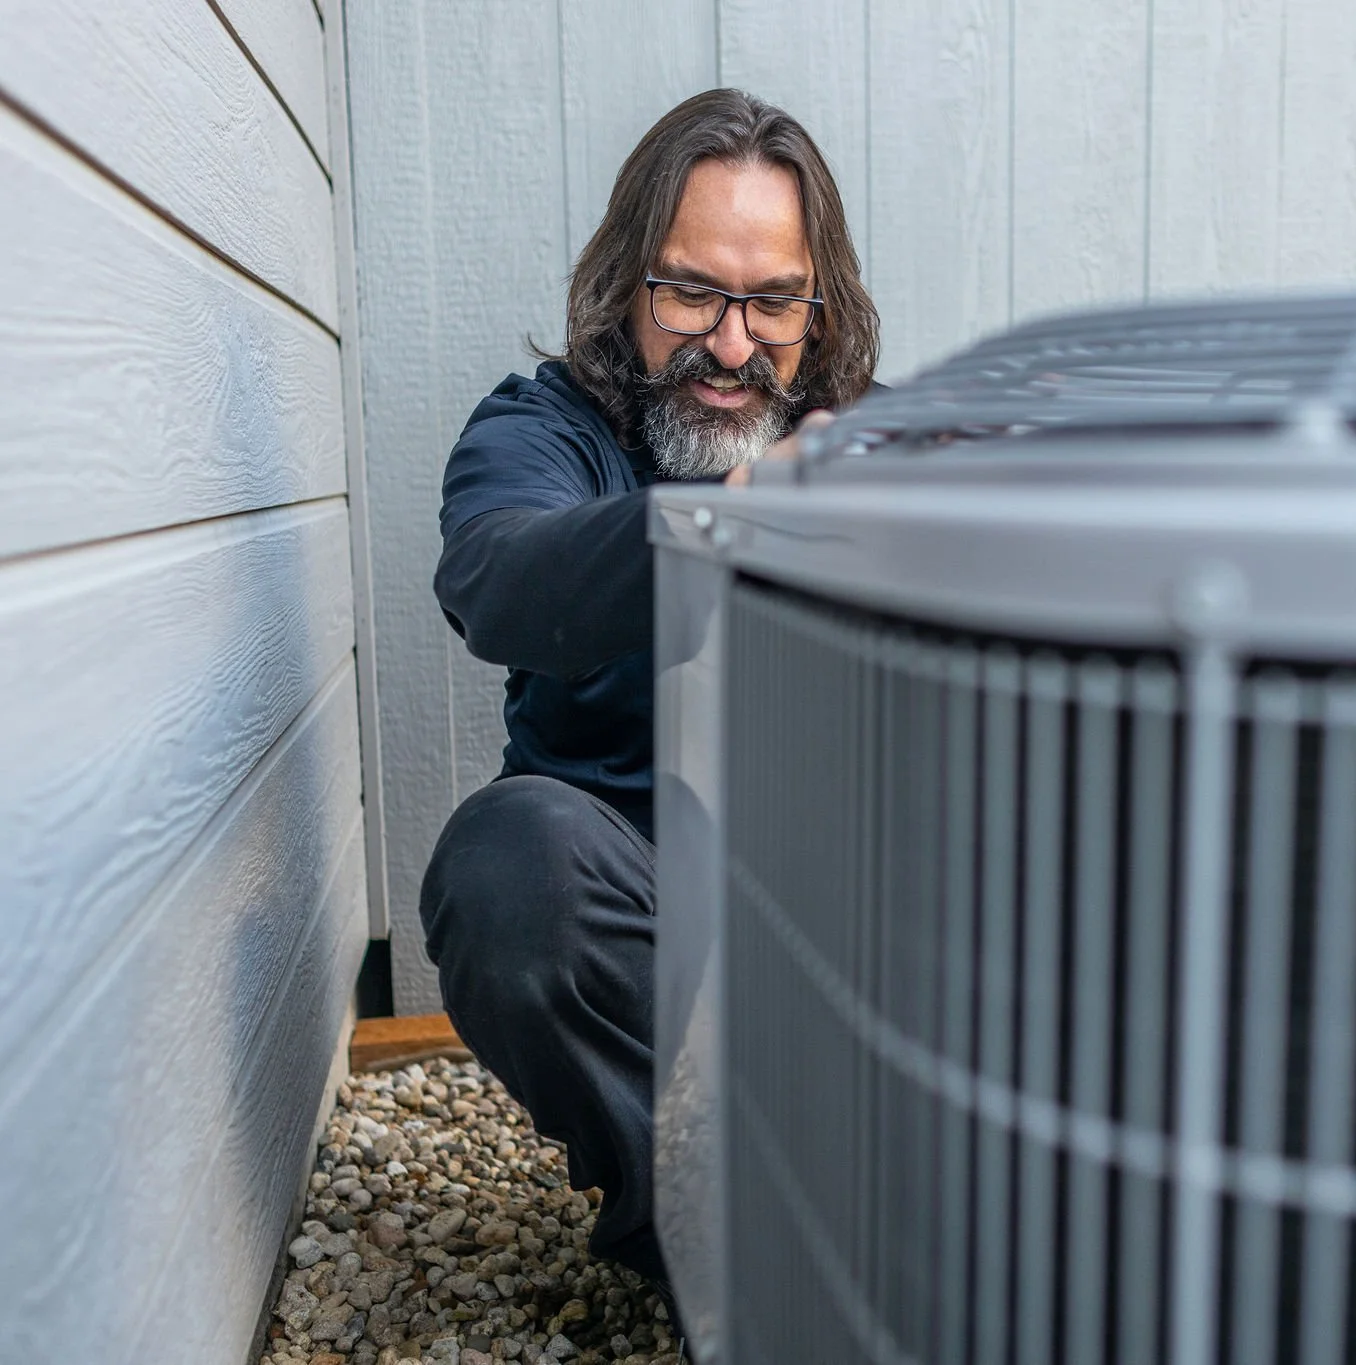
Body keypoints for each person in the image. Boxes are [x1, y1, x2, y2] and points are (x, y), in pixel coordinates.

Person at [416, 87, 881, 1302]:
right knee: (509, 860)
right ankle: (704, 1231)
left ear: (814, 307)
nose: (731, 346)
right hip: (644, 932)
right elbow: (495, 581)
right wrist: (733, 515)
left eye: (772, 302)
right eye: (692, 292)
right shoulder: (542, 431)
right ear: (627, 283)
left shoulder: (866, 445)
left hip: (859, 936)